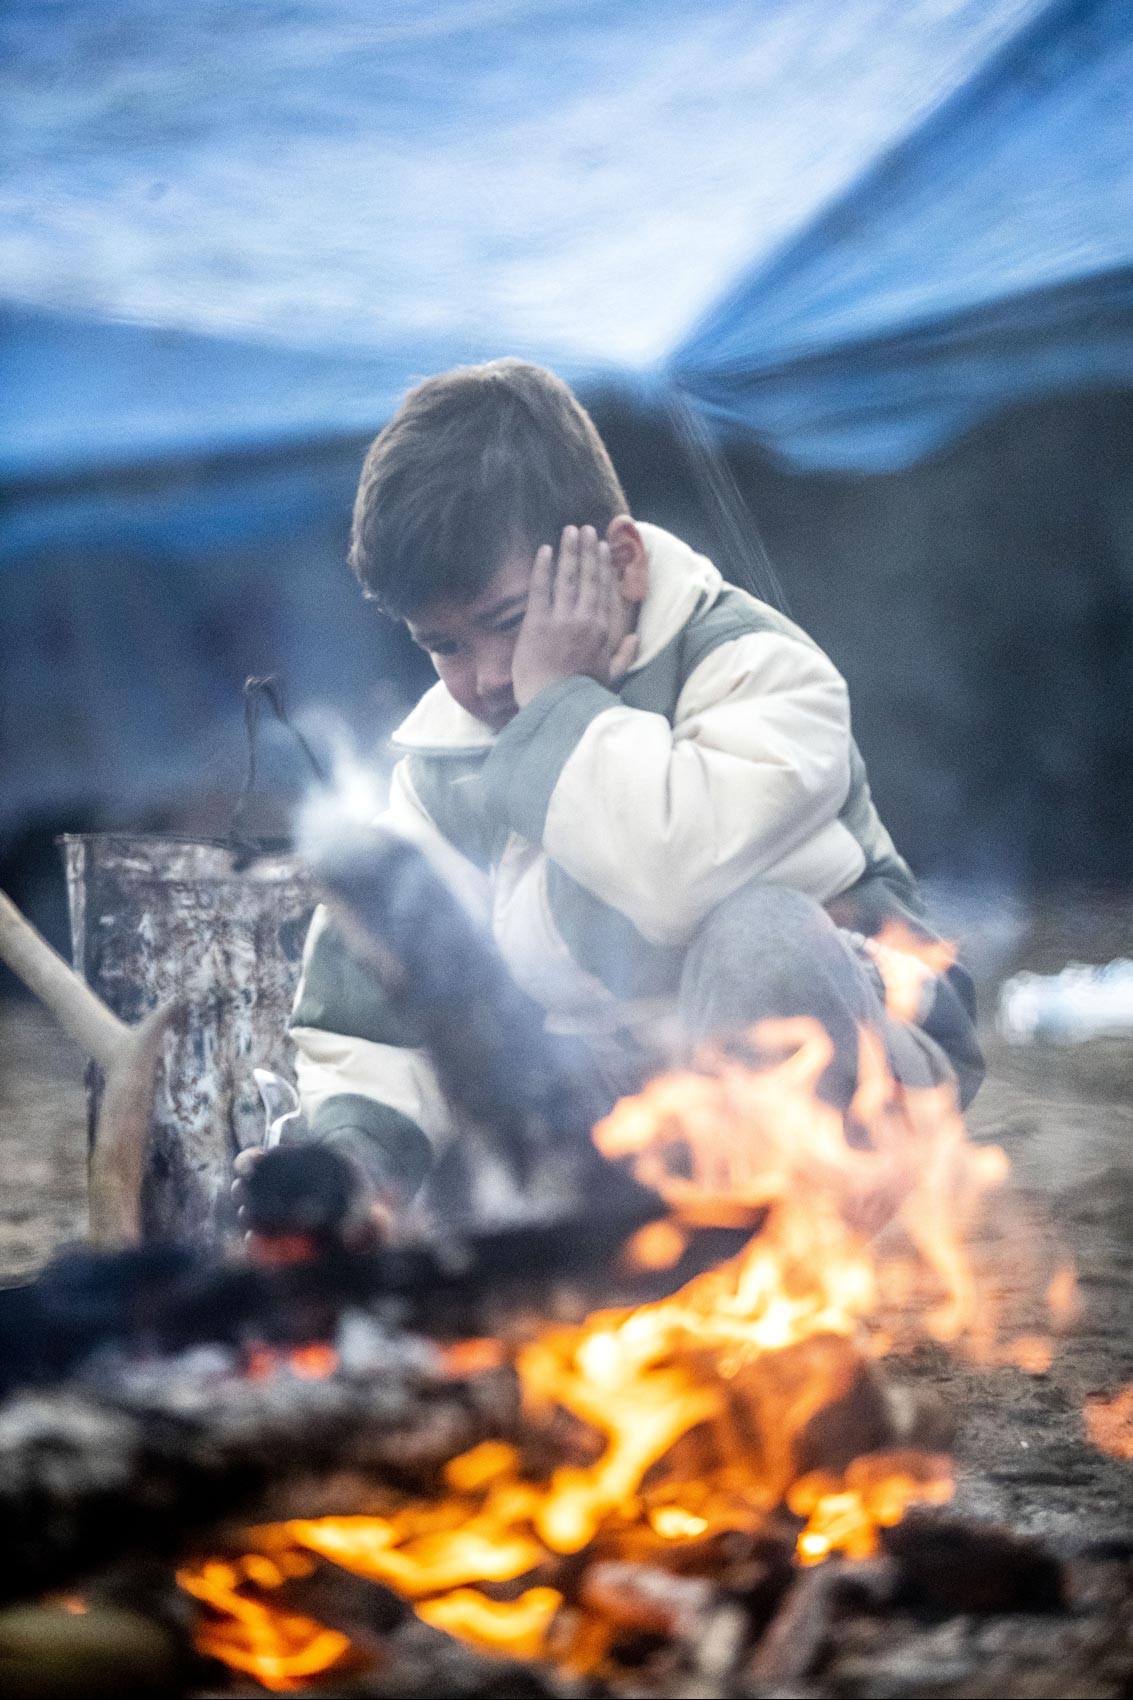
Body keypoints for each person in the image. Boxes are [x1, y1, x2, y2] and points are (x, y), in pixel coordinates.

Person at [252, 359, 983, 1215]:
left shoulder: (760, 671)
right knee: (436, 1162)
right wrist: (355, 1170)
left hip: (849, 1079)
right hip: (625, 1107)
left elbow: (677, 879)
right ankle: (620, 1288)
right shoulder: (442, 765)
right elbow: (372, 1016)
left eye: (508, 622)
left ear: (622, 563)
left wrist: (560, 705)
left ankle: (778, 1288)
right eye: (441, 646)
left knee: (761, 934)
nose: (487, 677)